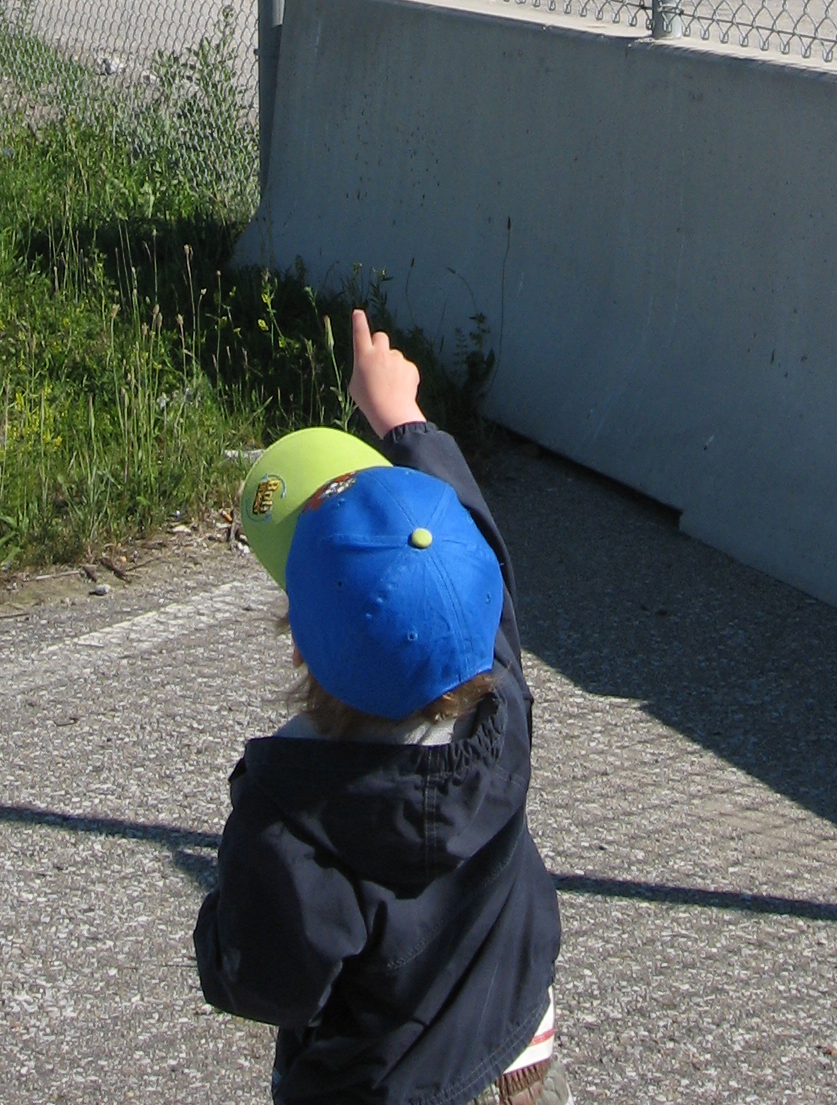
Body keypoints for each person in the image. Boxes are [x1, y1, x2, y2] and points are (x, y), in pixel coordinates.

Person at [195, 311, 567, 1104]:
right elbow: (474, 537)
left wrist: (221, 924)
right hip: (515, 1042)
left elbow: (267, 984)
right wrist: (405, 421)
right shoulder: (501, 704)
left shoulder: (290, 824)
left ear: (301, 644)